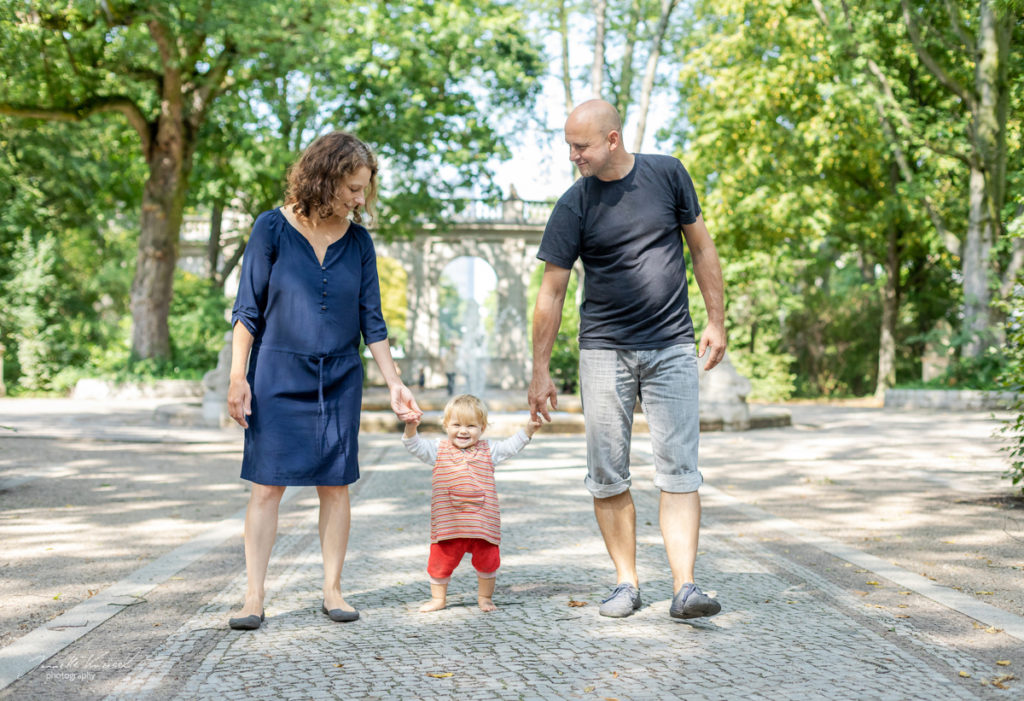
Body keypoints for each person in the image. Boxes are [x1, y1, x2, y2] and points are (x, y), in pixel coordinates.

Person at [528, 99, 726, 620]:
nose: (573, 155)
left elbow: (702, 249)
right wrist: (540, 370)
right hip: (603, 351)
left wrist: (716, 320)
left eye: (581, 145)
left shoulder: (668, 174)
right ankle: (626, 583)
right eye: (570, 145)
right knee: (608, 473)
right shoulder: (574, 204)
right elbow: (551, 292)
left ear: (612, 139)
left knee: (680, 470)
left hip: (672, 346)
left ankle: (685, 587)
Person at [226, 131, 422, 630]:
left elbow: (371, 321)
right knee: (266, 487)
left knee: (335, 485)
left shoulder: (359, 242)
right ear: (325, 177)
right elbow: (248, 311)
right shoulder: (270, 228)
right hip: (274, 374)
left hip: (339, 377)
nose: (361, 199)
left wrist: (394, 382)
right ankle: (253, 596)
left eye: (365, 190)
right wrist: (237, 377)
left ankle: (333, 588)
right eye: (353, 188)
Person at [402, 394, 541, 612]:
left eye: (471, 425)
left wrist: (529, 430)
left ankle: (485, 597)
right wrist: (411, 427)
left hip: (481, 525)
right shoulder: (438, 450)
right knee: (439, 563)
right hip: (449, 525)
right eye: (456, 424)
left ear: (483, 428)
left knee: (488, 562)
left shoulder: (489, 451)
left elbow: (510, 446)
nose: (463, 430)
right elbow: (413, 445)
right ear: (446, 425)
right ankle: (439, 599)